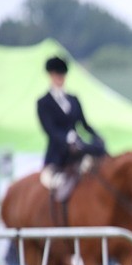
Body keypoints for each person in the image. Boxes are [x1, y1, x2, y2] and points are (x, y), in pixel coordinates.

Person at [37, 56, 106, 202]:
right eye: (57, 74)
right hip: (57, 154)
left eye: (62, 75)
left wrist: (97, 136)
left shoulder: (73, 99)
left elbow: (84, 124)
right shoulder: (43, 102)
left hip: (77, 150)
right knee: (57, 186)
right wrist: (68, 139)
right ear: (51, 75)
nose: (60, 78)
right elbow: (50, 130)